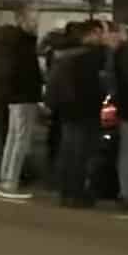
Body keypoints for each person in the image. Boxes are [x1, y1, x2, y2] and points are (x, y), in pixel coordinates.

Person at [46, 20, 110, 207]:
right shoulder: (92, 55)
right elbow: (98, 84)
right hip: (86, 109)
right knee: (81, 154)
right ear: (94, 33)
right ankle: (76, 193)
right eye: (102, 33)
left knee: (68, 151)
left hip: (66, 109)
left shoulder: (62, 53)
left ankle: (65, 191)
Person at [0, 9, 45, 199]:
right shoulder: (22, 43)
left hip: (15, 96)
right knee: (20, 140)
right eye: (32, 20)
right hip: (24, 95)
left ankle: (5, 178)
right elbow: (25, 71)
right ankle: (10, 182)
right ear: (21, 20)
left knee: (13, 138)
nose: (36, 24)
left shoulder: (10, 41)